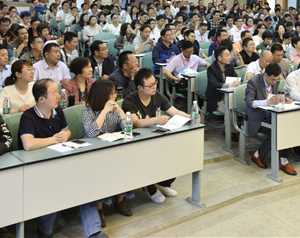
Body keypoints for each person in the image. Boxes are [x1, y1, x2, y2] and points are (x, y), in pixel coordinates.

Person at [20, 80, 106, 238]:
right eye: (54, 93)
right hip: (40, 168)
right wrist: (54, 139)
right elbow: (28, 144)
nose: (59, 96)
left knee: (86, 181)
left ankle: (94, 231)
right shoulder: (28, 116)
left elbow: (67, 131)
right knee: (54, 187)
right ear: (41, 99)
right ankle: (45, 232)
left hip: (61, 160)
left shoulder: (57, 111)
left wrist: (65, 135)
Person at [122, 69, 189, 204]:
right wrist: (156, 120)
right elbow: (135, 123)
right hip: (137, 141)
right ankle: (149, 187)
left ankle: (163, 184)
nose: (154, 87)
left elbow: (174, 112)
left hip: (156, 137)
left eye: (155, 83)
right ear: (140, 88)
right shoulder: (130, 101)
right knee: (147, 158)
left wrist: (190, 116)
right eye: (150, 85)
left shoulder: (157, 96)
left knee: (175, 154)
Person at [81, 80, 133, 224]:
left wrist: (120, 111)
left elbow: (128, 129)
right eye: (111, 94)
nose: (115, 96)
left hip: (109, 148)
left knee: (126, 163)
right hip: (91, 152)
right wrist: (104, 111)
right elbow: (91, 134)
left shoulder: (115, 110)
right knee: (99, 170)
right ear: (102, 96)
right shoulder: (87, 112)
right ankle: (99, 208)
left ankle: (120, 200)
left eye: (115, 93)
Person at [245, 63, 293, 173]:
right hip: (257, 117)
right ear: (265, 75)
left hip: (271, 115)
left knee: (286, 127)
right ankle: (265, 157)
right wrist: (267, 102)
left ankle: (283, 159)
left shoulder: (275, 81)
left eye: (277, 80)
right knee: (277, 131)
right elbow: (249, 102)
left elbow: (273, 96)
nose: (275, 82)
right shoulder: (254, 82)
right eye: (273, 80)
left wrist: (283, 99)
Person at [206, 47, 240, 114]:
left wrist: (243, 81)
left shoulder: (229, 66)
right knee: (231, 110)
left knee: (239, 106)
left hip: (229, 96)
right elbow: (213, 84)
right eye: (227, 55)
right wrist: (229, 85)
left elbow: (236, 77)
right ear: (219, 58)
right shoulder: (212, 68)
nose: (230, 57)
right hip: (216, 99)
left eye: (229, 55)